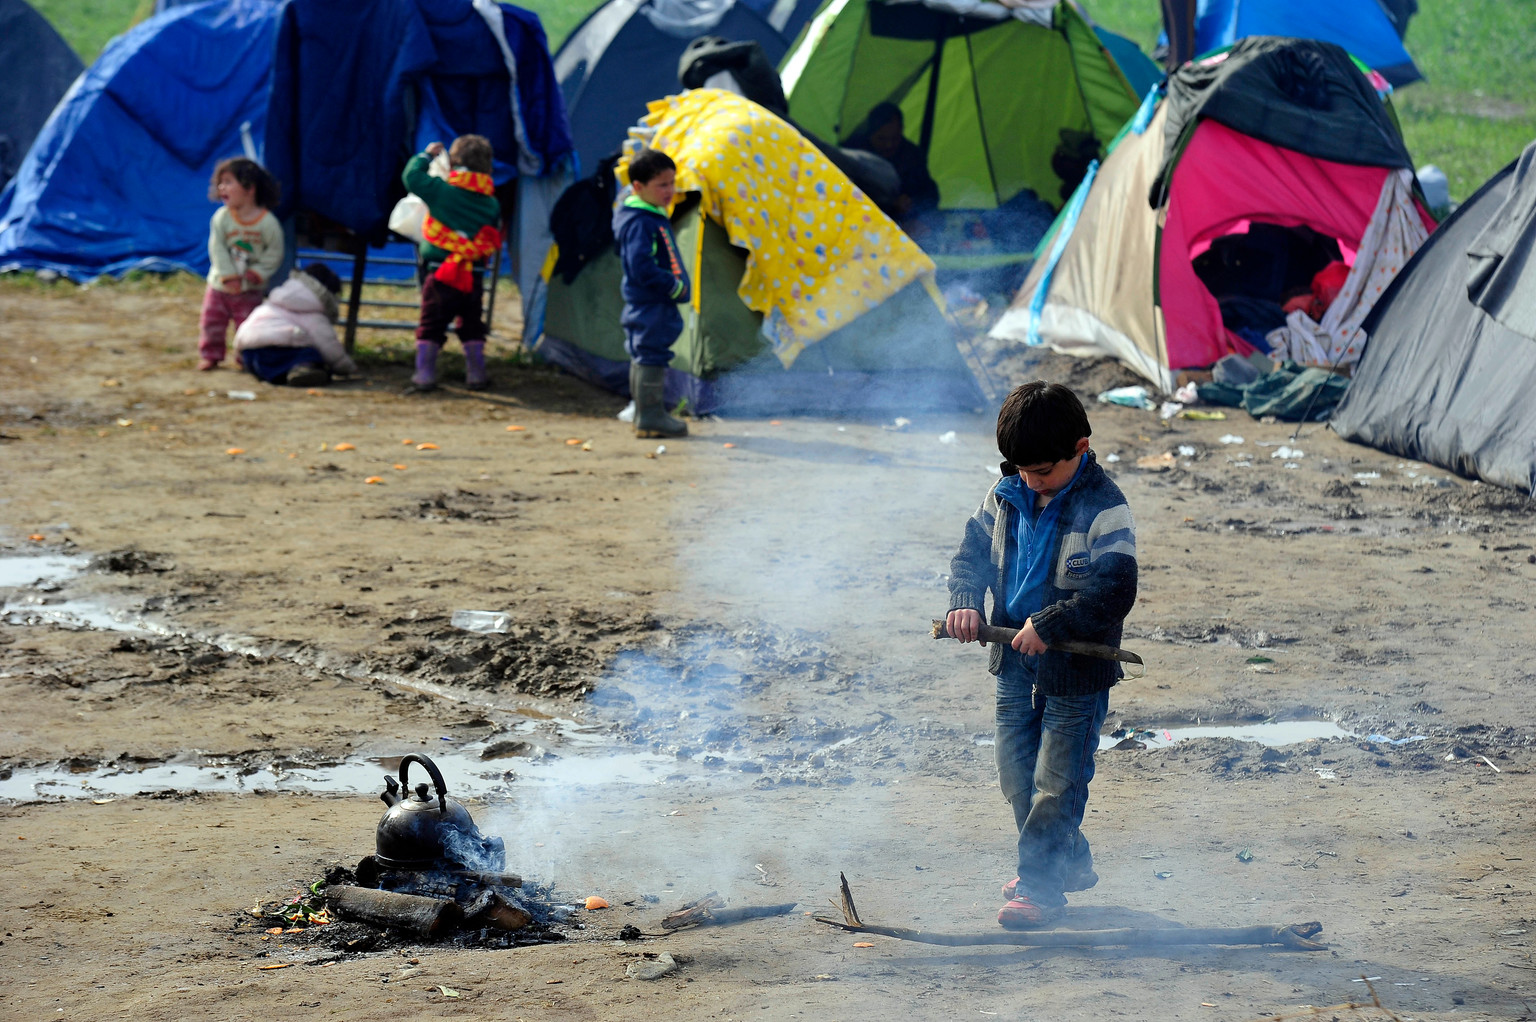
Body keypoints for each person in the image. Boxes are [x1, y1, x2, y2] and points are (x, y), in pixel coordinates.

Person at [945, 381, 1138, 929]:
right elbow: (970, 558)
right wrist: (965, 604)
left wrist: (1050, 624)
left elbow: (1114, 591)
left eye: (1043, 472)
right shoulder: (1005, 492)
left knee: (1057, 779)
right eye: (1021, 470)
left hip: (1077, 668)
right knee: (1016, 776)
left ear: (1080, 449)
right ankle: (1064, 857)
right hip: (1013, 663)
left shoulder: (1106, 508)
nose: (1031, 482)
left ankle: (1042, 885)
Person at [402, 134, 501, 391]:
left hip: (440, 274)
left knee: (431, 324)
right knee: (471, 324)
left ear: (454, 163)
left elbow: (411, 178)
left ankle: (424, 375)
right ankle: (476, 374)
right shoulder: (490, 204)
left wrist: (425, 156)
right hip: (473, 276)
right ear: (488, 168)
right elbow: (492, 233)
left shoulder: (441, 192)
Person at [613, 147, 691, 438]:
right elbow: (640, 266)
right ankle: (650, 415)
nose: (670, 190)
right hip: (651, 301)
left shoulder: (651, 215)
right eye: (662, 185)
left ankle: (646, 413)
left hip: (652, 301)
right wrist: (673, 285)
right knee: (651, 353)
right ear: (638, 187)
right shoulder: (639, 222)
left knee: (646, 351)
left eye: (672, 183)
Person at [201, 157, 283, 371]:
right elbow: (217, 249)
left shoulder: (268, 223)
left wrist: (257, 273)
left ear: (249, 188)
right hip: (220, 286)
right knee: (212, 323)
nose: (221, 187)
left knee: (247, 326)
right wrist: (228, 276)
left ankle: (244, 358)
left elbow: (274, 253)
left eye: (228, 182)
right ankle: (211, 355)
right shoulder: (221, 218)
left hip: (250, 289)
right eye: (220, 182)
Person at [234, 261, 358, 387]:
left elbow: (246, 328)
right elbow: (329, 345)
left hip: (249, 355)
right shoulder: (313, 311)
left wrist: (239, 355)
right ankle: (303, 369)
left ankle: (270, 373)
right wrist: (347, 367)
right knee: (312, 353)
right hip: (281, 354)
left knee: (275, 363)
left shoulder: (274, 300)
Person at [844, 102, 939, 223]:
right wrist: (890, 203)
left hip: (901, 223)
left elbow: (929, 193)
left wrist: (912, 204)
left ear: (901, 130)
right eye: (881, 139)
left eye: (895, 138)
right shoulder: (854, 152)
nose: (889, 145)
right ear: (870, 133)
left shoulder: (912, 155)